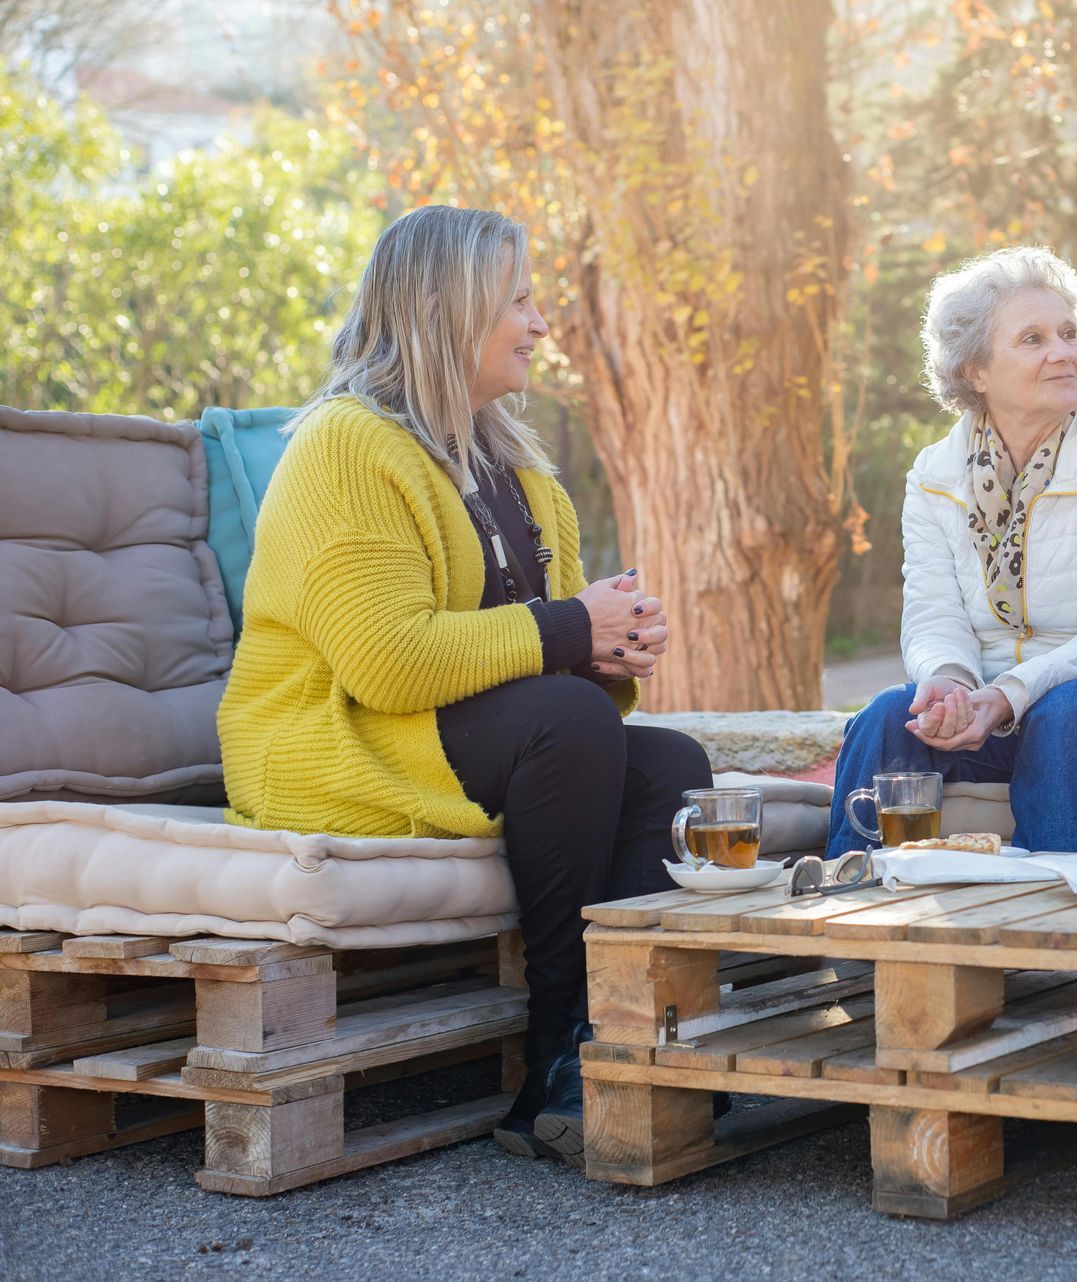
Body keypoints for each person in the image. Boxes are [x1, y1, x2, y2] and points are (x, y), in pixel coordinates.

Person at [217, 206, 712, 1168]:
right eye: (518, 301)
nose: (538, 324)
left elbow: (528, 669)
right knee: (568, 718)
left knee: (672, 761)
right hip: (336, 745)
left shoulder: (525, 476)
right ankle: (566, 1055)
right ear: (448, 311)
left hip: (461, 738)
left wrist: (602, 650)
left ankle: (626, 1041)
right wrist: (572, 630)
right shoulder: (345, 446)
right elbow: (386, 660)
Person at [827, 247, 1077, 857]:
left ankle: (1065, 930)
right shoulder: (934, 473)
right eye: (1033, 338)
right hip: (987, 709)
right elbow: (932, 615)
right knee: (889, 714)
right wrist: (949, 687)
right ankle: (854, 906)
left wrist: (1009, 696)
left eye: (1070, 333)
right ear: (975, 370)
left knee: (1065, 713)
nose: (1064, 352)